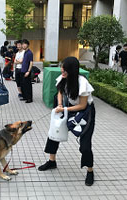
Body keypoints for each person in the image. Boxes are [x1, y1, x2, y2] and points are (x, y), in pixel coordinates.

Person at [38, 57, 96, 186]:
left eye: (64, 69)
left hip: (85, 113)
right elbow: (59, 92)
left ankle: (90, 171)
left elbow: (82, 106)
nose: (61, 70)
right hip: (68, 108)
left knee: (85, 144)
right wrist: (59, 104)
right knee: (54, 133)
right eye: (61, 68)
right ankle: (52, 161)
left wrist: (64, 108)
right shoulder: (63, 77)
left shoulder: (82, 82)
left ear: (72, 70)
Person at [20, 39, 33, 103]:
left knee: (28, 85)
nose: (23, 45)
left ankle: (29, 98)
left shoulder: (30, 53)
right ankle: (25, 97)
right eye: (22, 44)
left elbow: (31, 63)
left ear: (27, 44)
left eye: (24, 44)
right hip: (23, 70)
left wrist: (28, 71)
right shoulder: (25, 52)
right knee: (23, 85)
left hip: (26, 71)